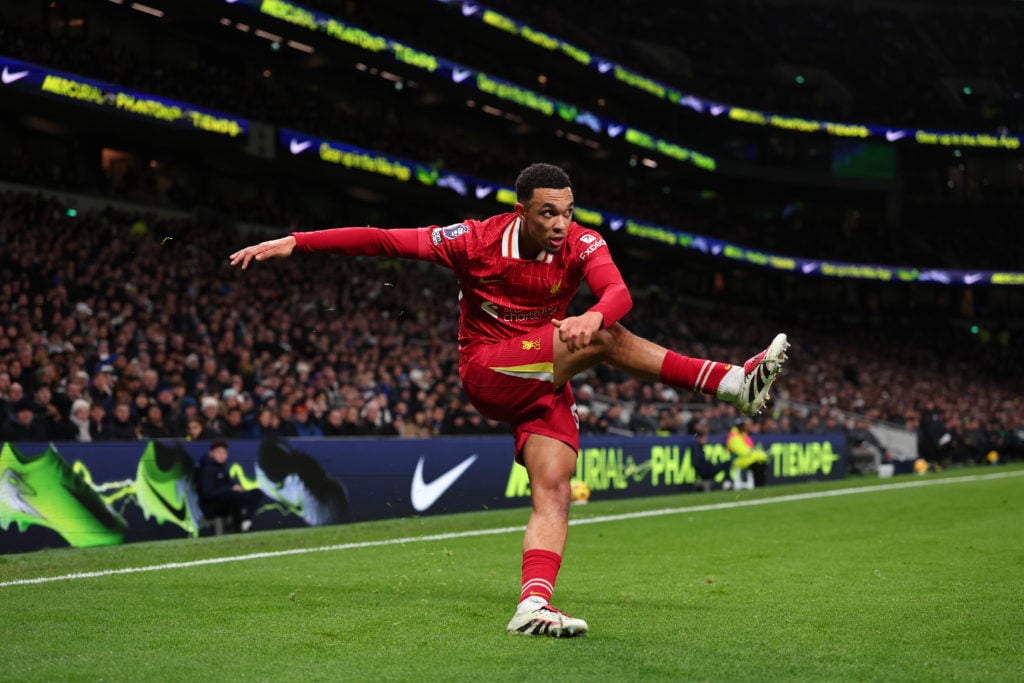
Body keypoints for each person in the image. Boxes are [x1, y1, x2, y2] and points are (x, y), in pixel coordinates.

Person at [229, 162, 790, 638]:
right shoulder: (472, 240)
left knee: (554, 490)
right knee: (601, 338)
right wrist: (296, 242)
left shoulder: (581, 242)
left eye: (567, 211)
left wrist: (595, 311)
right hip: (489, 368)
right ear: (520, 208)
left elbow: (619, 292)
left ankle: (532, 605)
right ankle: (729, 383)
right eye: (548, 212)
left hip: (544, 377)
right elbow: (381, 239)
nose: (561, 223)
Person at [195, 439, 265, 532]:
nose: (222, 455)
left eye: (224, 452)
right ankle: (238, 529)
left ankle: (247, 521)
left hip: (228, 501)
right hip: (212, 507)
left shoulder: (223, 469)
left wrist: (237, 488)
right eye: (218, 452)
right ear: (211, 453)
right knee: (234, 496)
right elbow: (208, 494)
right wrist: (230, 489)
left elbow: (231, 485)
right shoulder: (206, 470)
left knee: (256, 492)